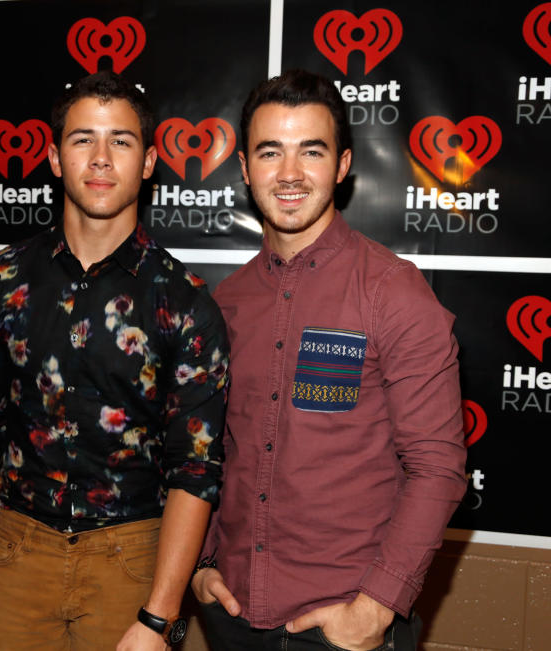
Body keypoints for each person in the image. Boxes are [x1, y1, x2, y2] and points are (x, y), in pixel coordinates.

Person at [0, 71, 230, 650]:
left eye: (121, 142)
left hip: (132, 560)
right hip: (16, 553)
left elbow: (195, 473)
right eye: (83, 140)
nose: (101, 158)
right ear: (54, 157)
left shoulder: (186, 302)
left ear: (149, 162)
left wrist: (159, 615)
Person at [192, 69, 468, 651]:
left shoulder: (394, 292)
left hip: (343, 626)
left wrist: (375, 609)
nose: (289, 174)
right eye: (270, 152)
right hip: (232, 616)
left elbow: (437, 468)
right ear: (243, 168)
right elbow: (217, 454)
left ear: (342, 167)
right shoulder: (226, 303)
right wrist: (204, 562)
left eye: (310, 152)